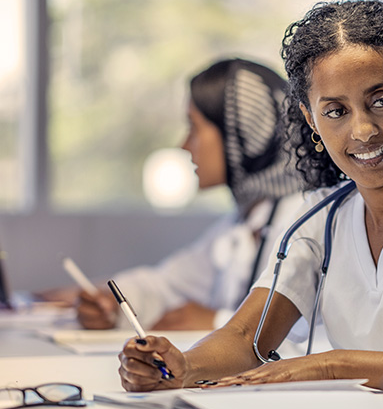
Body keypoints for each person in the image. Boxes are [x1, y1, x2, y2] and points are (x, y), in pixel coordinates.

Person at [117, 0, 383, 393]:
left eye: (381, 100)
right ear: (309, 118)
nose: (363, 131)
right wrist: (181, 367)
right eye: (335, 111)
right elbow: (246, 337)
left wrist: (331, 365)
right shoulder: (321, 220)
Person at [76, 58, 306, 332]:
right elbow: (168, 284)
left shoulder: (303, 220)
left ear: (245, 133)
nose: (184, 145)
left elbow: (313, 338)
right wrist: (113, 302)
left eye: (194, 128)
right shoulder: (245, 220)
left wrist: (219, 324)